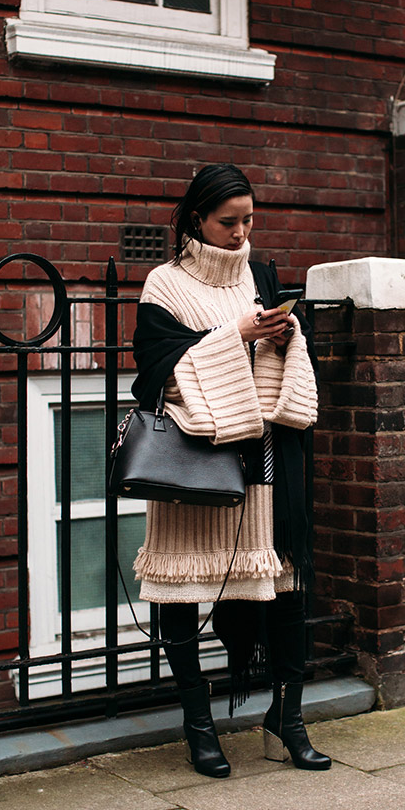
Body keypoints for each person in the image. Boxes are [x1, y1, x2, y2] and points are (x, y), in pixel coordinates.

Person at [131, 163, 331, 778]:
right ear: (197, 218)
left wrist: (284, 334)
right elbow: (156, 370)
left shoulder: (262, 276)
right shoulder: (163, 285)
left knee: (288, 592)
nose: (243, 232)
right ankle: (200, 727)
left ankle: (288, 719)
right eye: (229, 221)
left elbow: (289, 366)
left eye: (249, 219)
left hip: (266, 464)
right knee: (184, 600)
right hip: (198, 468)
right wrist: (235, 333)